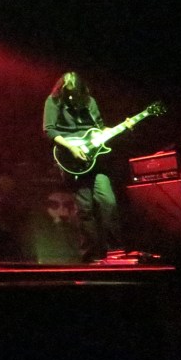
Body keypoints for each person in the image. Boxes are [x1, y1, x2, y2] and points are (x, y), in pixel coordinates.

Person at [43, 71, 121, 261]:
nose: (70, 96)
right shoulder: (53, 101)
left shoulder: (89, 102)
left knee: (108, 202)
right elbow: (49, 129)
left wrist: (111, 130)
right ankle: (90, 256)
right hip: (71, 159)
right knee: (85, 208)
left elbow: (99, 127)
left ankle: (115, 252)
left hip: (95, 159)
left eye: (73, 92)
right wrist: (70, 147)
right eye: (66, 92)